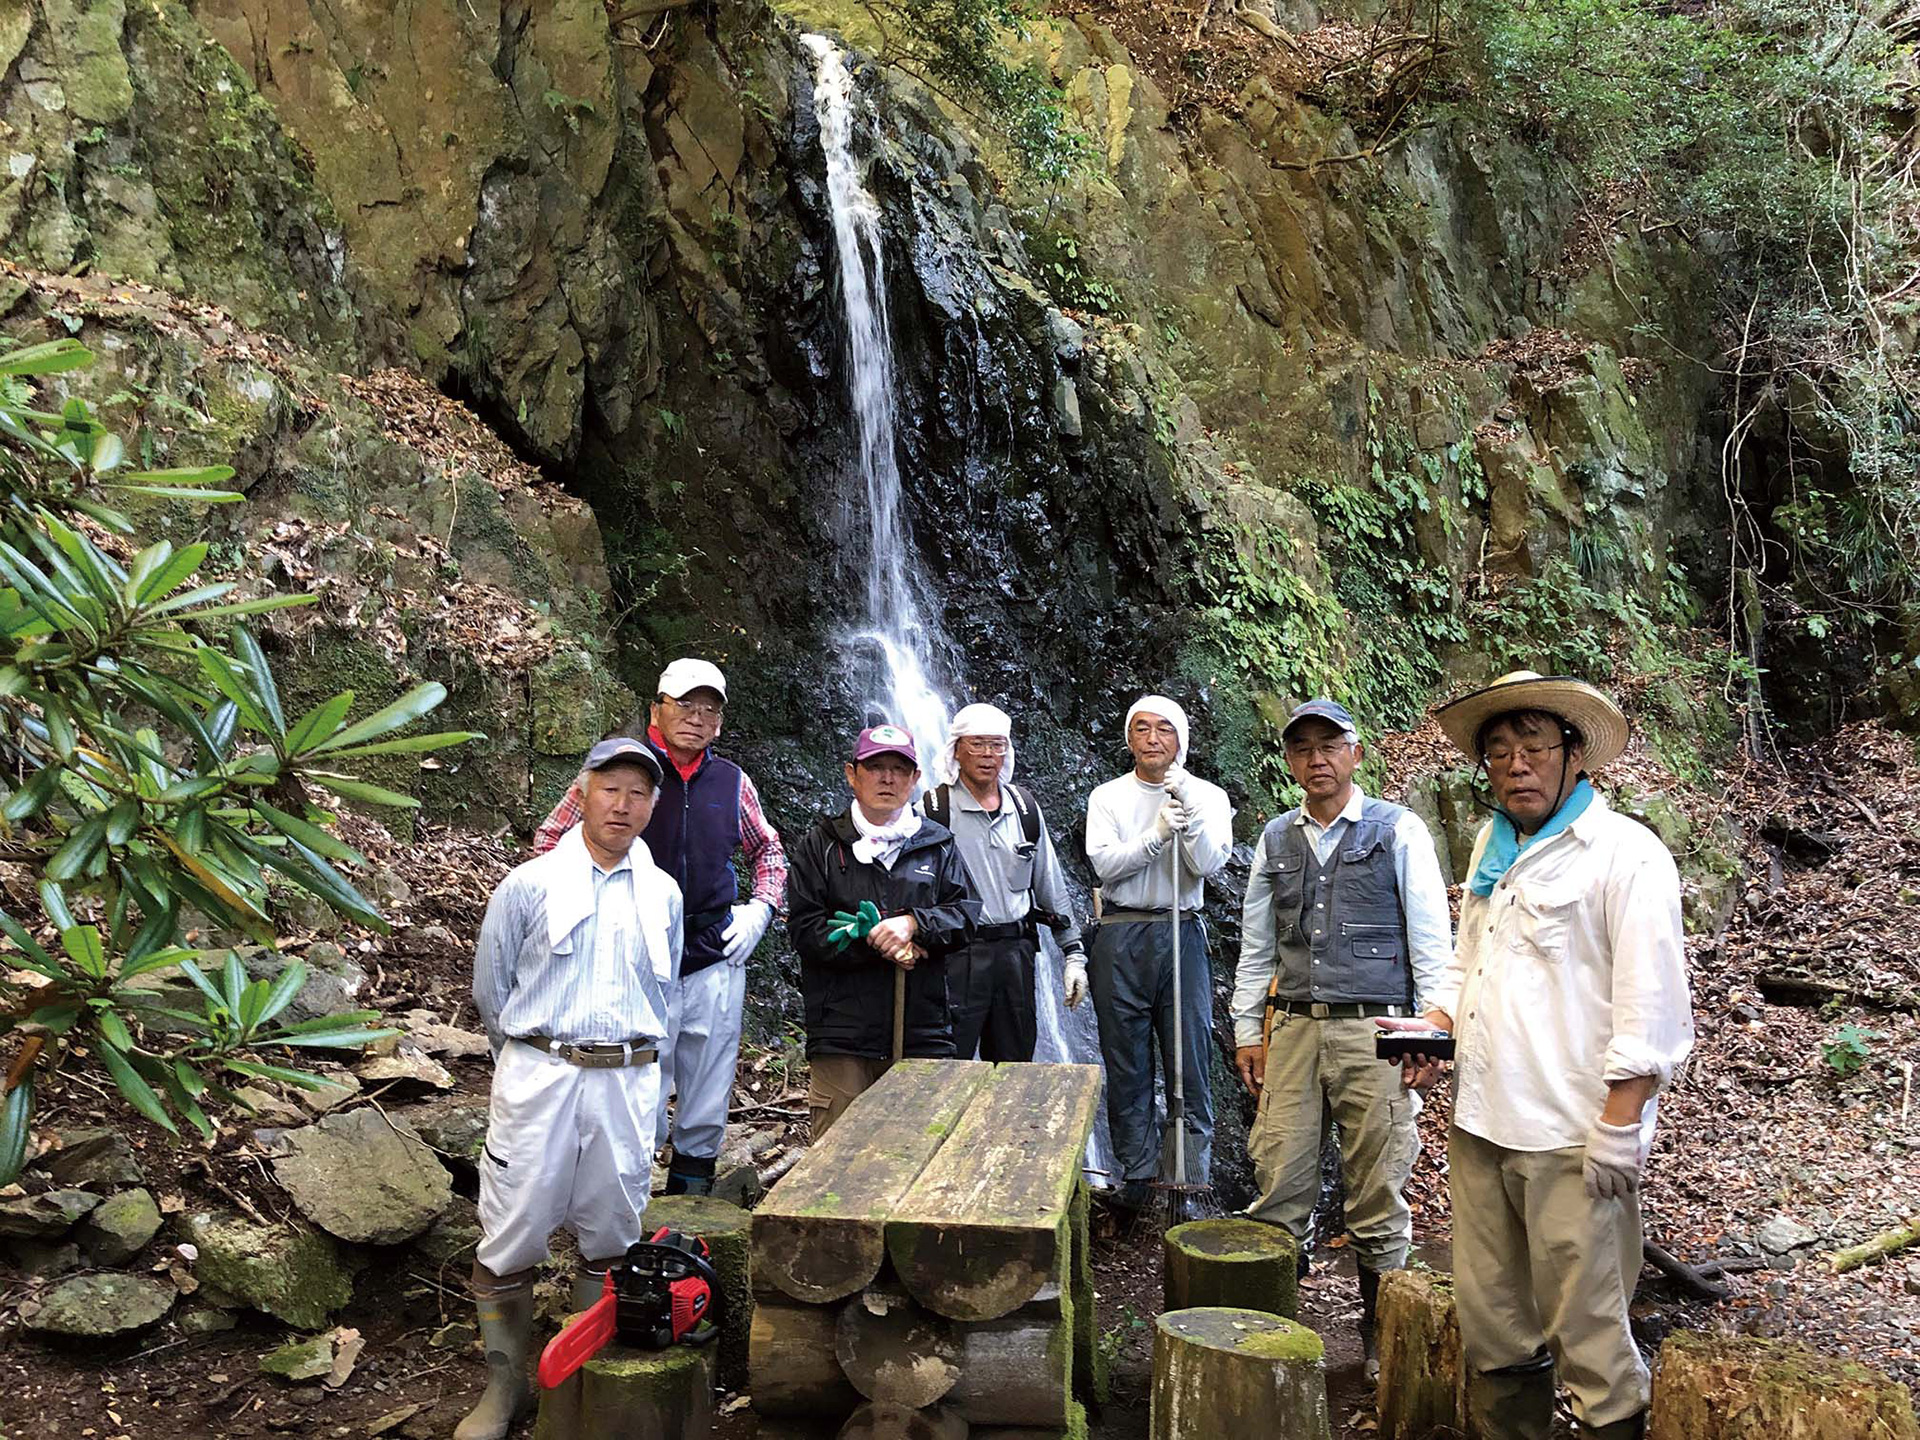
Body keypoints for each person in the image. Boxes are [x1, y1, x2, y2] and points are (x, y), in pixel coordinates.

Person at [1379, 670, 1694, 1440]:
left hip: (1569, 1137)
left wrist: (1622, 1128)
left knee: (1589, 1333)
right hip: (1482, 1125)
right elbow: (1467, 960)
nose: (1516, 764)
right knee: (1495, 1330)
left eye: (1534, 747)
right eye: (1499, 751)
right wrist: (1434, 1029)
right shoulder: (1495, 842)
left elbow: (1650, 1005)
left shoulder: (1625, 855)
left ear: (1574, 755)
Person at [460, 737, 681, 1440]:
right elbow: (491, 994)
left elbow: (666, 991)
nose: (623, 804)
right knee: (512, 1230)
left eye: (638, 792)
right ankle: (505, 1389)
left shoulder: (664, 893)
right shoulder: (527, 886)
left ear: (653, 804)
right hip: (542, 1071)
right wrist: (530, 1060)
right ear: (582, 792)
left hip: (628, 1078)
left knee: (612, 1232)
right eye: (610, 788)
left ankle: (581, 1383)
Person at [1229, 697, 1452, 1379]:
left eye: (1330, 745)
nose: (1317, 759)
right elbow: (1257, 945)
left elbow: (1431, 939)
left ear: (1356, 754)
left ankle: (1383, 1338)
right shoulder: (1275, 838)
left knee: (1379, 1188)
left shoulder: (1398, 829)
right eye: (1303, 749)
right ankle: (1273, 1343)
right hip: (1293, 1026)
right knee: (1279, 1184)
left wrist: (1431, 1035)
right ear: (1291, 762)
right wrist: (1247, 1029)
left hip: (1377, 1027)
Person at [533, 657, 787, 1197]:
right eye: (684, 705)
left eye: (708, 709)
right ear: (657, 709)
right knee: (640, 1074)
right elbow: (550, 842)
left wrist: (761, 909)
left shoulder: (732, 781)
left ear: (719, 722)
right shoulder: (626, 769)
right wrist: (596, 911)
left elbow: (768, 848)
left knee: (711, 1079)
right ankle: (628, 1199)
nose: (696, 718)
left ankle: (694, 1201)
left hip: (716, 946)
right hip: (634, 947)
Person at [786, 724, 981, 1137]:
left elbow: (966, 915)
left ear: (915, 780)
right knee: (836, 1161)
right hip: (842, 1033)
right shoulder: (820, 846)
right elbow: (805, 930)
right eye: (875, 767)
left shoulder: (938, 844)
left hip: (924, 1031)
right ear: (852, 774)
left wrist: (914, 924)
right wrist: (876, 940)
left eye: (899, 768)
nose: (887, 778)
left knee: (917, 1156)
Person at [1085, 695, 1233, 1210]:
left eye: (1164, 729)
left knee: (1188, 1056)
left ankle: (1188, 1178)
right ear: (1128, 739)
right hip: (1121, 933)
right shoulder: (1107, 797)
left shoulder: (1209, 796)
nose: (1152, 739)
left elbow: (1209, 864)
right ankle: (1139, 1178)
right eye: (1141, 729)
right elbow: (1105, 866)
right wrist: (1155, 836)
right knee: (1125, 1062)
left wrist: (1187, 816)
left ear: (1181, 740)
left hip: (1181, 931)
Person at [922, 702, 1089, 1061]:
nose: (988, 755)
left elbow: (1049, 883)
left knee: (1015, 1066)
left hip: (1016, 953)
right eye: (977, 743)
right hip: (956, 955)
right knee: (950, 1062)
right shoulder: (933, 811)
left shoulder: (1024, 808)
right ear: (956, 750)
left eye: (997, 744)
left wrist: (1073, 953)